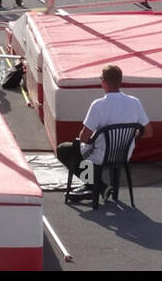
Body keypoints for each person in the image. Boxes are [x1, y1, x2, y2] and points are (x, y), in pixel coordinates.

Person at [56, 64, 152, 202]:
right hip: (123, 154)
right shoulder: (135, 103)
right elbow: (148, 132)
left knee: (65, 150)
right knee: (85, 151)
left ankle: (96, 186)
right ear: (120, 81)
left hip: (101, 155)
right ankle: (93, 187)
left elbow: (84, 137)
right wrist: (130, 136)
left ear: (104, 82)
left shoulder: (98, 105)